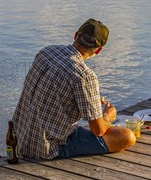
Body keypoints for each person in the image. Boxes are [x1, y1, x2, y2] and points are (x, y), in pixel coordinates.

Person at [12, 19, 136, 160]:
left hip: (19, 138)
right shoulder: (84, 76)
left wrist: (89, 101)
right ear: (99, 50)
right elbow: (99, 130)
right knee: (127, 136)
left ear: (76, 35)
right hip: (46, 148)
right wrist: (108, 116)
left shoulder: (46, 52)